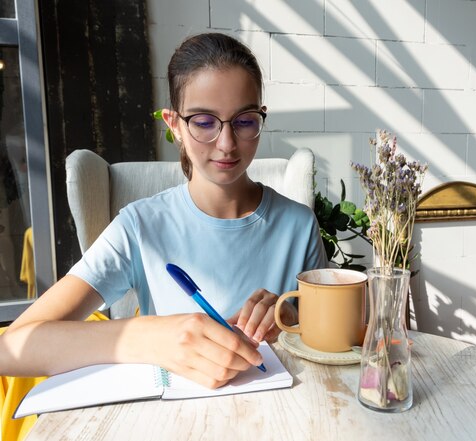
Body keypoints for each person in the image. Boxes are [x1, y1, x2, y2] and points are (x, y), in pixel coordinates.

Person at [0, 32, 327, 390]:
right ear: (174, 126)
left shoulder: (299, 225)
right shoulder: (139, 226)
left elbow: (337, 338)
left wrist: (294, 317)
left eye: (245, 120)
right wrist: (151, 337)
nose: (227, 143)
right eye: (204, 122)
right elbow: (12, 348)